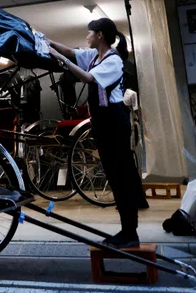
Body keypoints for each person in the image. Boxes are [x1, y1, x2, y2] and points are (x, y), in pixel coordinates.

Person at [47, 17, 148, 249]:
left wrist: (60, 59)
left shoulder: (113, 61)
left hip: (115, 121)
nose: (87, 36)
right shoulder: (95, 56)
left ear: (100, 35)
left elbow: (88, 78)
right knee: (113, 175)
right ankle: (126, 230)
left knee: (121, 176)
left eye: (89, 33)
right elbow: (72, 52)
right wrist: (46, 41)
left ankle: (130, 231)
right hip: (103, 123)